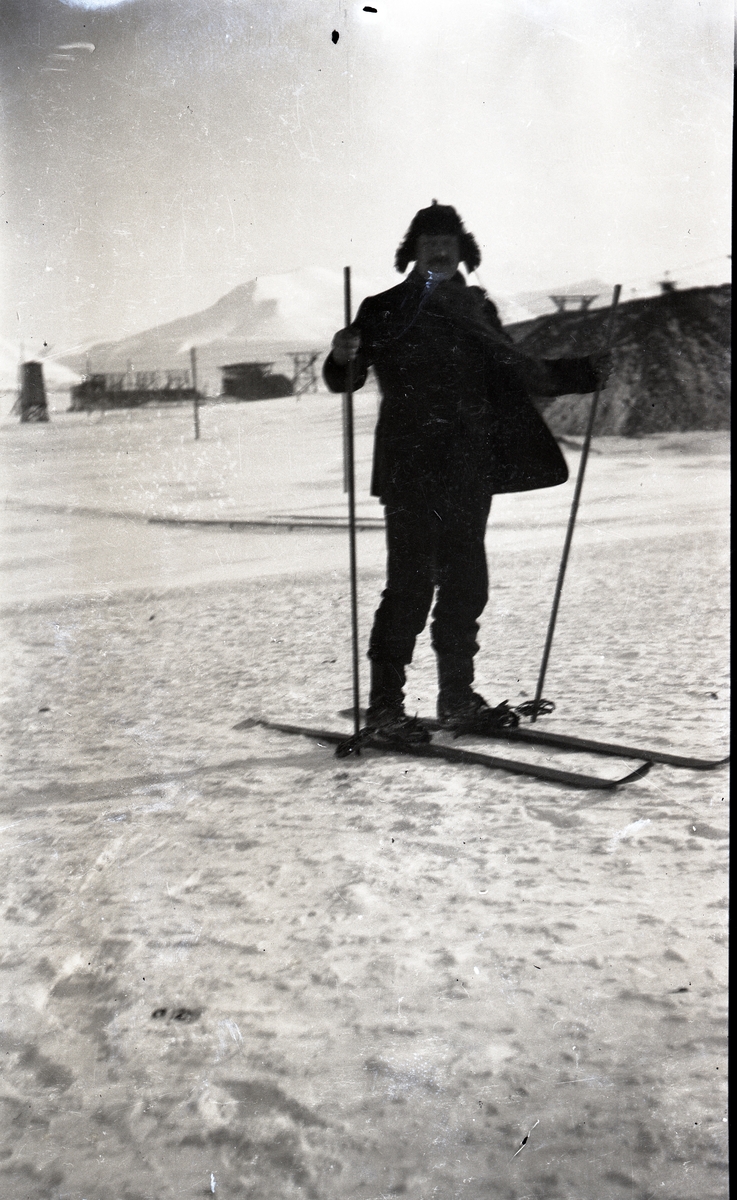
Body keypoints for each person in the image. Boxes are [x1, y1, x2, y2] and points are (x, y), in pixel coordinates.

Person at [323, 201, 608, 746]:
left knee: (465, 585)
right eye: (428, 240)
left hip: (469, 467)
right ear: (412, 250)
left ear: (462, 250)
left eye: (448, 241)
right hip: (411, 468)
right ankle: (386, 708)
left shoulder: (478, 308)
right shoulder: (382, 307)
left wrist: (585, 372)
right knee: (410, 585)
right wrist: (341, 354)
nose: (438, 248)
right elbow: (348, 377)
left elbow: (517, 367)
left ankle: (457, 698)